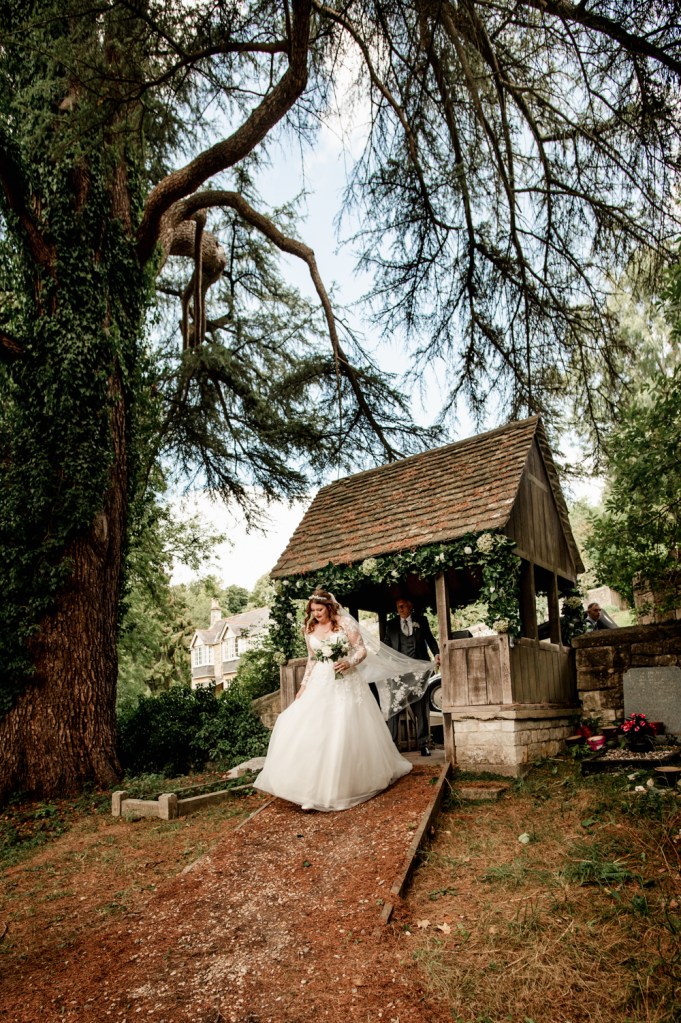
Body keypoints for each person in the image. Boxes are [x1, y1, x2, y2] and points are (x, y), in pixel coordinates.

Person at [253, 590, 416, 812]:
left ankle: (339, 788)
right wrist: (303, 686)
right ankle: (309, 790)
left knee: (342, 728)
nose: (316, 614)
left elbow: (361, 650)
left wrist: (349, 662)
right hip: (320, 682)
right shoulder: (310, 628)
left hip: (345, 682)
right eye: (313, 611)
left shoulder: (345, 625)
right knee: (312, 729)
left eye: (320, 610)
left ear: (330, 608)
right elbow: (312, 660)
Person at [383, 597, 440, 757]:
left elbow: (430, 638)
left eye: (403, 606)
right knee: (394, 708)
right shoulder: (391, 624)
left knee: (420, 708)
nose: (400, 609)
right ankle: (392, 744)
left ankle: (423, 744)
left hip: (418, 672)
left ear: (410, 606)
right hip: (397, 673)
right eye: (398, 607)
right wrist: (380, 660)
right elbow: (386, 644)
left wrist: (437, 653)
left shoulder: (421, 620)